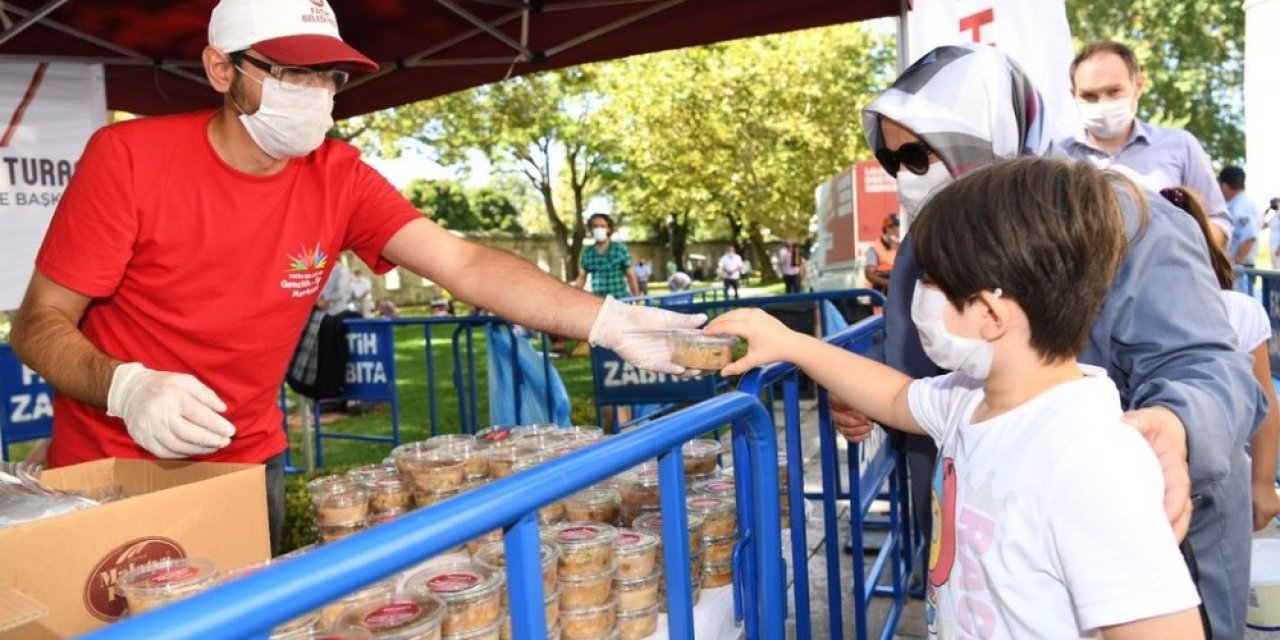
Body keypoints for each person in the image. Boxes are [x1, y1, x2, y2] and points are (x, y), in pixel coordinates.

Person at [8, 0, 703, 557]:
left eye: (329, 77)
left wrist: (606, 319)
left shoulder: (338, 177)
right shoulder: (129, 158)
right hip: (111, 460)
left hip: (247, 462)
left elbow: (464, 262)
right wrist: (128, 388)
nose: (316, 94)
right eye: (291, 73)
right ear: (221, 69)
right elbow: (38, 324)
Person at [839, 44, 1261, 639]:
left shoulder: (1122, 222)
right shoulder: (931, 240)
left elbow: (1211, 369)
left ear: (986, 138)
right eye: (891, 158)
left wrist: (1177, 422)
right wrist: (863, 392)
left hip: (1146, 560)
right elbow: (925, 371)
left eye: (918, 153)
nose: (905, 175)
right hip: (991, 571)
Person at [709, 158, 1203, 638]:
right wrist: (794, 345)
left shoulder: (1090, 459)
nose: (917, 297)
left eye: (931, 282)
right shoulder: (970, 400)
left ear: (990, 314)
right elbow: (895, 396)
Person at [1161, 185, 1280, 531]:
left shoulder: (1238, 311)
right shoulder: (1114, 315)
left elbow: (1264, 403)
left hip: (1219, 491)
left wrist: (1262, 484)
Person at [1060, 41, 1231, 234]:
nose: (1103, 104)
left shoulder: (1180, 147)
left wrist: (1177, 241)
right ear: (1074, 94)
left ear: (1138, 86)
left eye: (1114, 91)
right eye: (1090, 96)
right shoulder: (1058, 159)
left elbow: (1219, 223)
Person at [571, 213, 640, 299]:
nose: (598, 229)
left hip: (619, 299)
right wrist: (573, 296)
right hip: (599, 301)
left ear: (609, 229)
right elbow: (581, 278)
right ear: (591, 229)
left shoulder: (620, 249)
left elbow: (630, 275)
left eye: (602, 226)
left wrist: (637, 298)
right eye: (595, 226)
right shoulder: (588, 253)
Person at [1219, 165, 1260, 294]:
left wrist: (1237, 262)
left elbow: (1249, 237)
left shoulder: (1240, 206)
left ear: (1225, 186)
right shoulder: (1243, 203)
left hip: (1239, 270)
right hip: (1239, 268)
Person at [863, 214, 899, 295]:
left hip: (896, 292)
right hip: (881, 293)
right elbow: (869, 274)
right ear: (888, 229)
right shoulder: (875, 249)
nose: (898, 232)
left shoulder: (898, 247)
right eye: (897, 228)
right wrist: (888, 283)